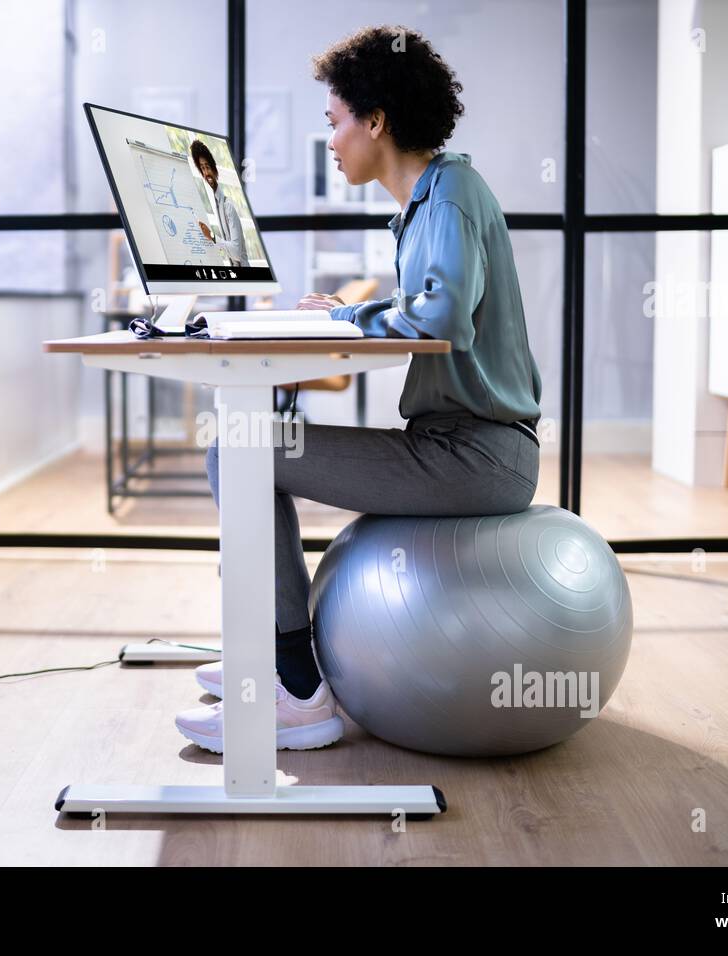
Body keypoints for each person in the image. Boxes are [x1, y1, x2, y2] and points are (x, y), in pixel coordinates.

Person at [176, 25, 544, 754]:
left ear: (376, 120)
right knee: (243, 442)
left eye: (335, 122)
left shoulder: (448, 196)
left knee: (241, 447)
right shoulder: (433, 198)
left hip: (479, 457)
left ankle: (296, 687)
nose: (333, 141)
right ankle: (275, 663)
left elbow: (440, 319)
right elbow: (431, 314)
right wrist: (345, 317)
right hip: (463, 447)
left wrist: (345, 315)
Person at [189, 139, 249, 267]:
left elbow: (236, 253)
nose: (206, 173)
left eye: (207, 167)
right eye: (202, 169)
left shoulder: (227, 206)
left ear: (215, 169)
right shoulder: (217, 205)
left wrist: (210, 235)